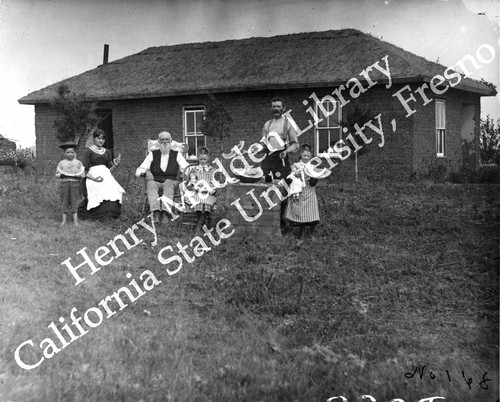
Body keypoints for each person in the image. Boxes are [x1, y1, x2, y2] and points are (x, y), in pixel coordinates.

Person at [135, 131, 189, 224]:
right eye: (162, 140)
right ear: (158, 142)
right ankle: (156, 212)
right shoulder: (153, 154)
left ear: (171, 141)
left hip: (171, 182)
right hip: (156, 181)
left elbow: (186, 168)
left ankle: (165, 213)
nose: (165, 142)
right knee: (151, 183)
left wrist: (190, 175)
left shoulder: (176, 154)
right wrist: (145, 172)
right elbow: (140, 168)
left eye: (167, 140)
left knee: (168, 182)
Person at [80, 129, 125, 220]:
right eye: (98, 138)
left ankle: (112, 214)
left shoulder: (107, 152)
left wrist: (116, 164)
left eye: (103, 139)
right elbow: (84, 171)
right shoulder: (88, 152)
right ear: (94, 139)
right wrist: (94, 179)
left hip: (106, 177)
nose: (101, 141)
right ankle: (98, 215)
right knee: (100, 192)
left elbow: (110, 170)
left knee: (114, 191)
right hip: (93, 177)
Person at [284, 144, 320, 239]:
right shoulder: (296, 165)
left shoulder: (312, 166)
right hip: (299, 189)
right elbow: (291, 177)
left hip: (309, 190)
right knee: (300, 211)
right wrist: (295, 175)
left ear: (311, 157)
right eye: (304, 156)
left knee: (311, 210)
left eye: (308, 156)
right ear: (301, 155)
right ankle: (302, 231)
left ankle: (312, 231)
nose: (306, 158)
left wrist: (316, 177)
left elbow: (314, 178)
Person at [261, 97, 299, 182]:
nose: (276, 109)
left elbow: (295, 144)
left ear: (283, 108)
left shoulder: (288, 123)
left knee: (282, 185)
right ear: (271, 108)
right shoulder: (267, 124)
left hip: (281, 158)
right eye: (274, 107)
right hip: (268, 159)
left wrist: (286, 151)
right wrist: (256, 149)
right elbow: (263, 145)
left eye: (278, 106)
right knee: (266, 184)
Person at [182, 147, 217, 231]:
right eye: (201, 159)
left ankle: (199, 226)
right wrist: (196, 188)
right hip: (197, 193)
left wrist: (209, 189)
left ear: (208, 159)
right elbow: (193, 181)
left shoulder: (212, 170)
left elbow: (214, 183)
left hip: (209, 193)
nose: (202, 161)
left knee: (207, 204)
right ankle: (201, 225)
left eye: (205, 159)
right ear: (198, 158)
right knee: (198, 203)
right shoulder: (194, 169)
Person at [55, 142, 85, 226]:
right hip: (64, 184)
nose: (70, 154)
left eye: (72, 152)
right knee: (64, 200)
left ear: (75, 153)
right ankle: (63, 221)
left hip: (75, 184)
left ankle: (75, 221)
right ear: (64, 153)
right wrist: (61, 175)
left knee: (74, 201)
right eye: (68, 152)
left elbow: (83, 174)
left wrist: (79, 176)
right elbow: (56, 174)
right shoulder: (61, 163)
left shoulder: (78, 163)